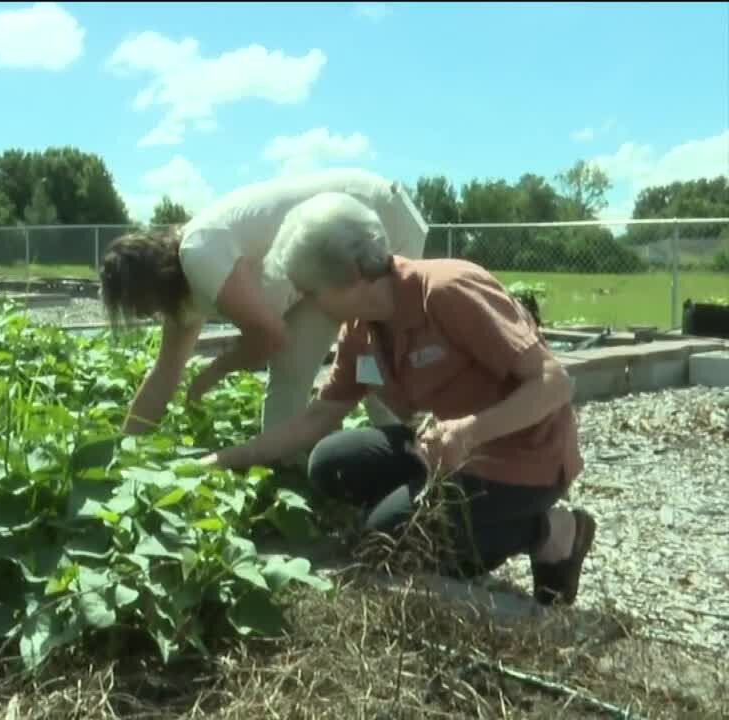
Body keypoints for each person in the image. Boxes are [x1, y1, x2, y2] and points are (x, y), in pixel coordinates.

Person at [199, 192, 596, 605]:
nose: (308, 304)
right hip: (446, 454)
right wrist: (222, 460)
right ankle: (428, 515)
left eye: (311, 292)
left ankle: (551, 529)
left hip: (526, 458)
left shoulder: (447, 291)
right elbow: (318, 417)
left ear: (352, 276)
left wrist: (470, 431)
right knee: (330, 464)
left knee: (394, 547)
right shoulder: (361, 327)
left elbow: (554, 383)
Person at [98, 169, 430, 460]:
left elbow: (268, 335)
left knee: (372, 361)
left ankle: (411, 464)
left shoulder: (199, 253)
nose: (145, 314)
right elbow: (163, 375)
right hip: (320, 252)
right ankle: (290, 471)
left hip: (369, 218)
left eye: (140, 304)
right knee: (293, 367)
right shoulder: (180, 297)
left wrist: (216, 370)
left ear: (150, 282)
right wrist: (125, 452)